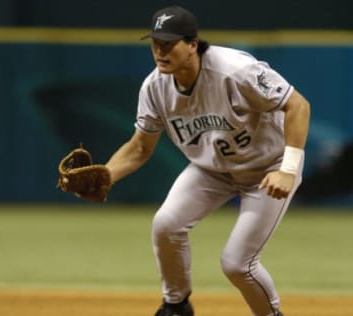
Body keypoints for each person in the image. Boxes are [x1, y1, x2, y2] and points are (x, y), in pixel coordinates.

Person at [104, 5, 310, 316]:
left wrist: (288, 169)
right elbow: (138, 148)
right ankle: (176, 306)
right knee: (166, 224)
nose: (160, 50)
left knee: (238, 264)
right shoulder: (155, 87)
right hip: (212, 169)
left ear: (193, 44)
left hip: (268, 168)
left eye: (169, 43)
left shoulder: (235, 70)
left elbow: (298, 105)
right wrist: (106, 175)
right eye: (155, 42)